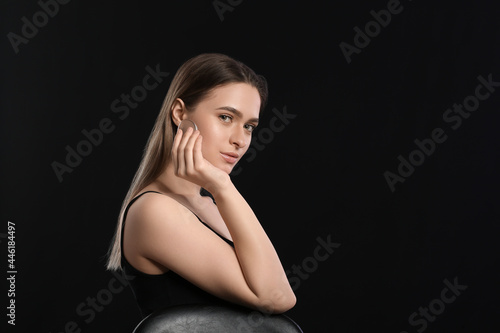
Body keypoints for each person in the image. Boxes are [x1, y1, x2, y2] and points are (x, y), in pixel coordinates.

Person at [106, 53, 296, 318]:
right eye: (226, 117)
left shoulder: (208, 204)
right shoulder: (154, 210)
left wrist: (219, 189)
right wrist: (223, 186)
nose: (240, 140)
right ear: (180, 113)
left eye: (250, 126)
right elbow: (276, 297)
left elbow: (275, 287)